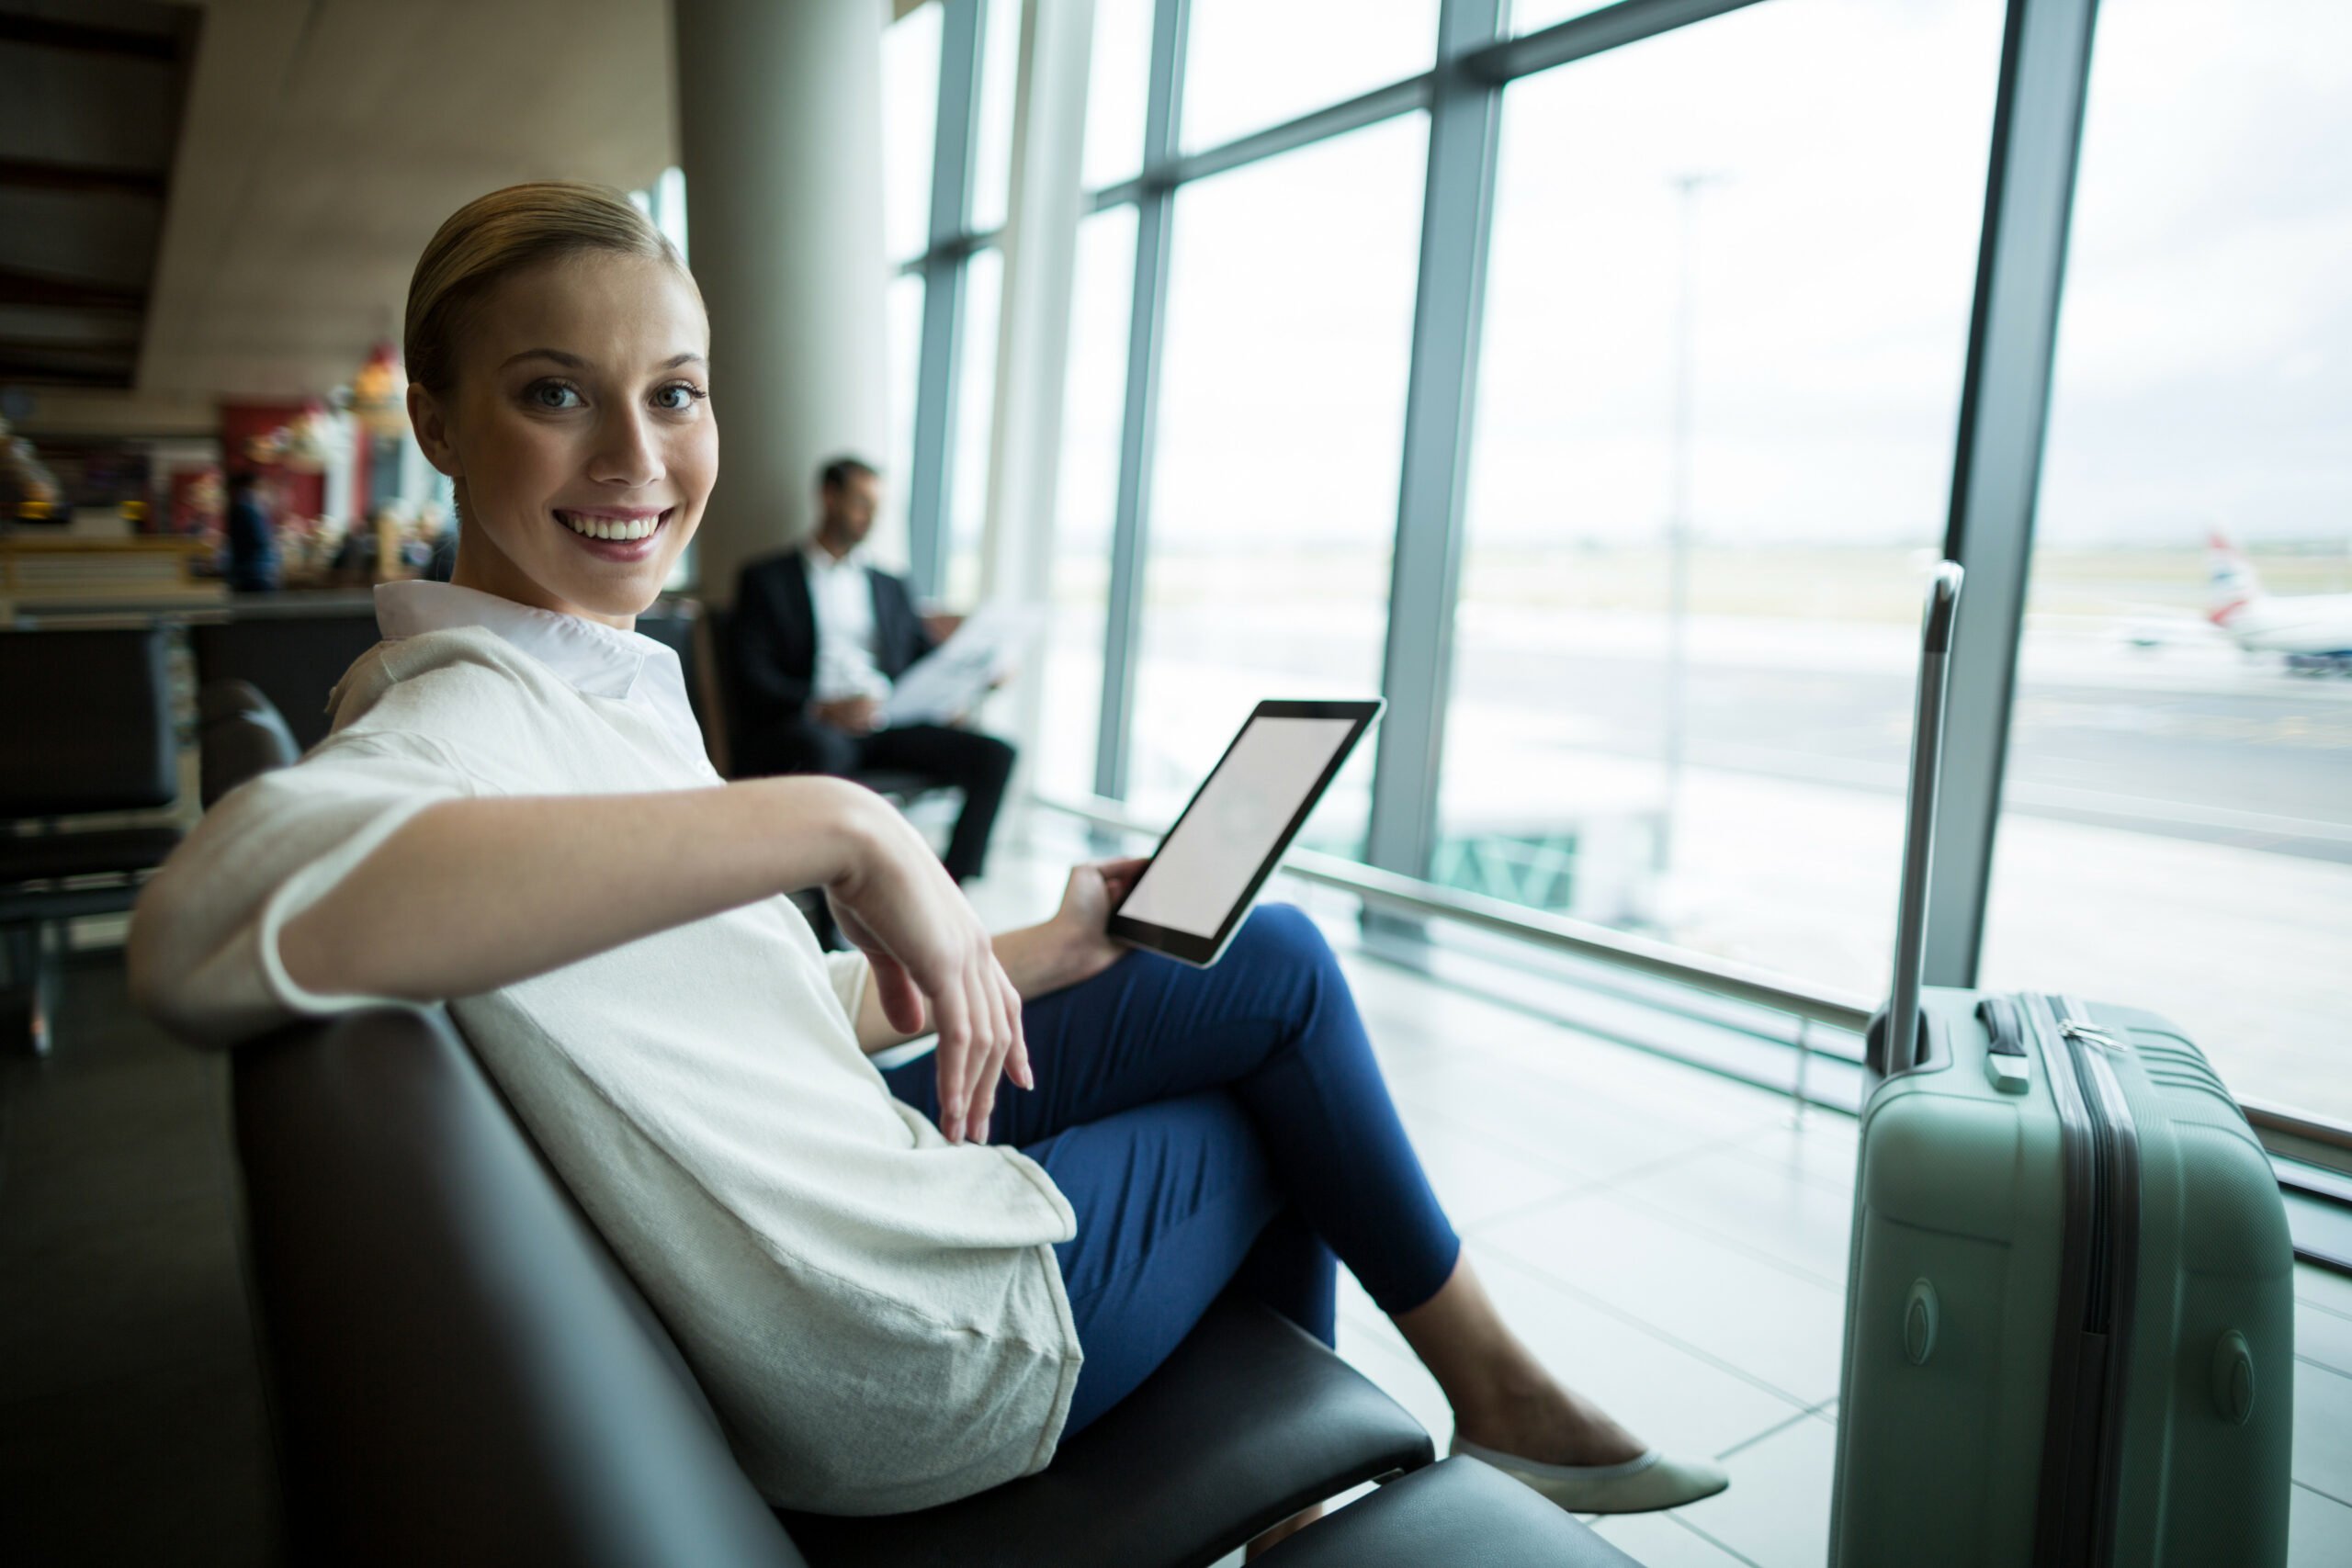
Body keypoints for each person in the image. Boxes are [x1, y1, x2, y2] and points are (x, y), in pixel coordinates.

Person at [126, 182, 1725, 1536]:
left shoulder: (578, 678)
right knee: (1266, 1111)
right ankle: (1434, 1431)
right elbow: (202, 920)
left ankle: (1463, 1413)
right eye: (557, 393)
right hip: (902, 1338)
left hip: (853, 1178)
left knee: (1260, 952)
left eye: (675, 390)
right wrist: (839, 815)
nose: (636, 454)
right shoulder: (455, 722)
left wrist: (1028, 944)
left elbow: (711, 1020)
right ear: (439, 418)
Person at [729, 458, 1013, 885]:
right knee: (824, 755)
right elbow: (750, 673)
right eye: (862, 502)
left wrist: (977, 678)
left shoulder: (889, 584)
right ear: (828, 496)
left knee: (995, 755)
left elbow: (924, 659)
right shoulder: (768, 579)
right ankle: (833, 906)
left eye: (877, 506)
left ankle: (950, 887)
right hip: (818, 726)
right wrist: (823, 709)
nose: (871, 517)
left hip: (888, 722)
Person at [221, 468, 280, 592]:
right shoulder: (246, 509)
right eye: (260, 487)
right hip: (254, 574)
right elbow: (260, 540)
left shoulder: (240, 508)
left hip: (245, 573)